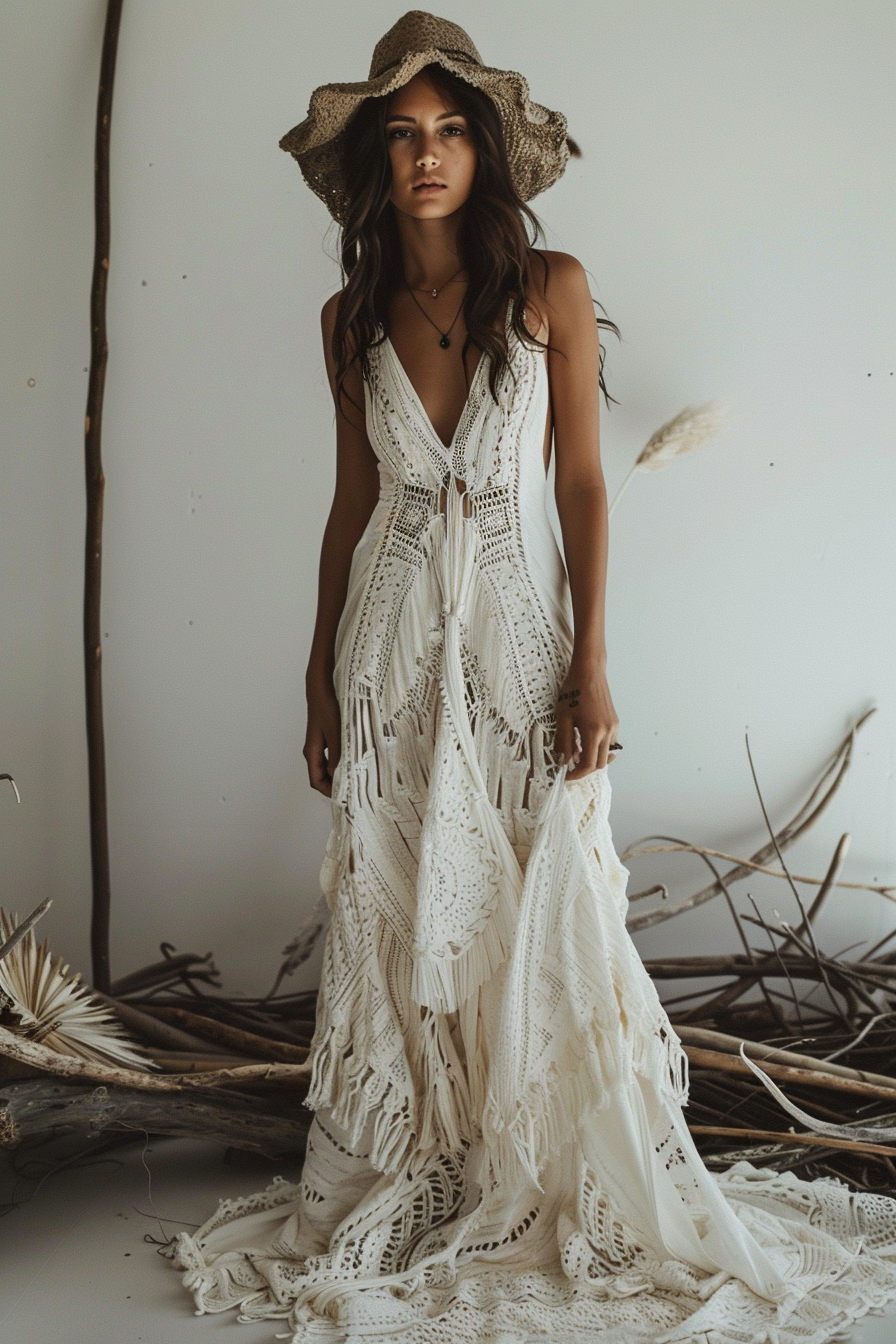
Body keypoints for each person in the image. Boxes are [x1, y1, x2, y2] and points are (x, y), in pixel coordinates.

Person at [163, 13, 896, 1342]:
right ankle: (429, 1161)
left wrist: (594, 660)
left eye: (449, 130)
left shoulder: (547, 284)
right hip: (389, 644)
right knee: (396, 906)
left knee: (544, 885)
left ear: (484, 150)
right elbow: (350, 506)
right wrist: (318, 683)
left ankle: (543, 1165)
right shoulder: (347, 317)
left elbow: (579, 483)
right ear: (376, 163)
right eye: (403, 134)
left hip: (518, 639)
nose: (427, 154)